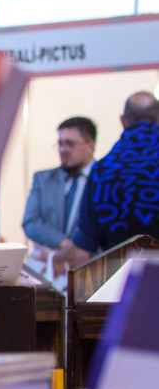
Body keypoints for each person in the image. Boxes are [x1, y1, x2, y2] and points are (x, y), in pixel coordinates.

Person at [55, 92, 159, 270]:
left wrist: (53, 260)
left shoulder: (102, 171)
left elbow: (84, 246)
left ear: (123, 121)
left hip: (120, 278)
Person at [21, 116, 96, 266]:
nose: (62, 150)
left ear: (90, 146)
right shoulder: (43, 179)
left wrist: (74, 254)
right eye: (60, 144)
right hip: (45, 265)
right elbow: (30, 222)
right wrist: (64, 245)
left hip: (90, 267)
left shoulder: (104, 181)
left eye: (70, 144)